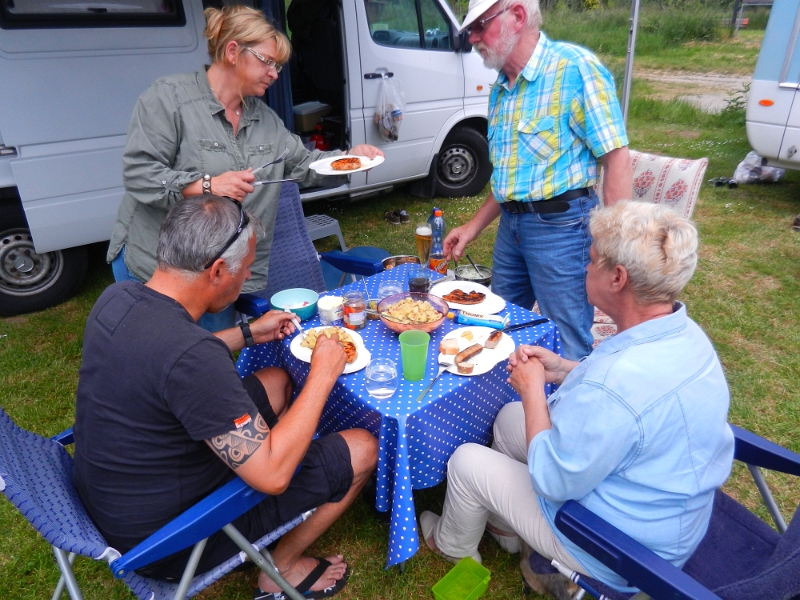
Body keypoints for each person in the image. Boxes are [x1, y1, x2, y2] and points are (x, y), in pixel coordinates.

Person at [421, 201, 734, 594]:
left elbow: (553, 480)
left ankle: (452, 545)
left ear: (617, 277)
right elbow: (631, 403)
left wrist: (534, 389)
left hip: (617, 547)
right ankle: (507, 530)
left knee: (467, 460)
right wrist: (565, 369)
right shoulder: (685, 334)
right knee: (507, 417)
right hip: (663, 511)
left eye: (590, 260)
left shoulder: (614, 384)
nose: (585, 268)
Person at [76, 195, 378, 599]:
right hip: (168, 540)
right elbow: (272, 477)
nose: (249, 274)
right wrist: (324, 372)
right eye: (247, 266)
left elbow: (164, 362)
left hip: (116, 497)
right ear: (218, 270)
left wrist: (249, 333)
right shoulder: (191, 357)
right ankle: (280, 568)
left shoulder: (120, 297)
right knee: (363, 448)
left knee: (275, 380)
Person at [107, 5, 382, 331]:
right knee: (158, 361)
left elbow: (306, 165)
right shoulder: (170, 99)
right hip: (159, 268)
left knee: (213, 359)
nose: (275, 73)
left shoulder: (265, 120)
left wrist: (352, 158)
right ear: (233, 51)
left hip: (221, 276)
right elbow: (140, 173)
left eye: (277, 65)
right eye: (267, 61)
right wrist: (209, 185)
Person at [443, 0, 633, 360]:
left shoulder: (575, 69)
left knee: (567, 338)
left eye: (480, 26)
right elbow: (511, 179)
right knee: (500, 326)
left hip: (563, 228)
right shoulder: (502, 88)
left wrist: (616, 245)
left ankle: (569, 412)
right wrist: (472, 227)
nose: (473, 39)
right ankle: (511, 407)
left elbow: (616, 158)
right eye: (470, 31)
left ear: (516, 15)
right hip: (512, 228)